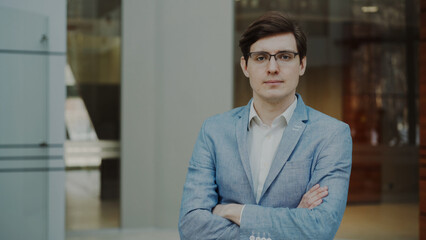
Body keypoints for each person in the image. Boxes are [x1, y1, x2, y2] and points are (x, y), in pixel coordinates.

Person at [178, 11, 352, 240]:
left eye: (285, 56)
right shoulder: (214, 131)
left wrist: (234, 211)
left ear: (302, 64)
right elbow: (191, 226)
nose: (272, 68)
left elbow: (320, 227)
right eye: (261, 57)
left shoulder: (332, 134)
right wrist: (291, 222)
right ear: (245, 66)